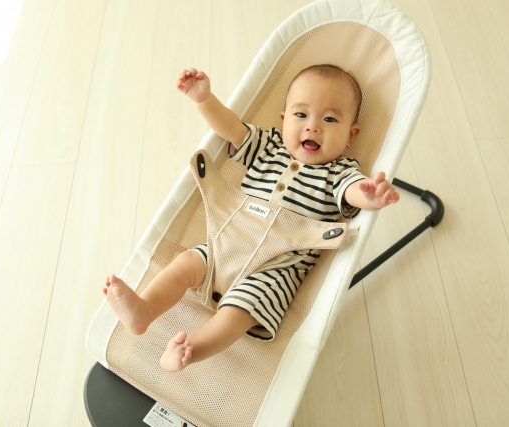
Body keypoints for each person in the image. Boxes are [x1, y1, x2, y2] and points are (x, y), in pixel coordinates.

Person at [102, 64, 399, 372]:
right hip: (224, 244)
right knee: (185, 263)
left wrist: (370, 195)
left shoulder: (340, 172)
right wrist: (204, 100)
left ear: (351, 135)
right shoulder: (268, 147)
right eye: (301, 115)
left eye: (329, 119)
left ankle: (191, 350)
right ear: (283, 120)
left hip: (275, 268)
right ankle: (144, 310)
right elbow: (231, 128)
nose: (312, 127)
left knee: (242, 310)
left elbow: (353, 191)